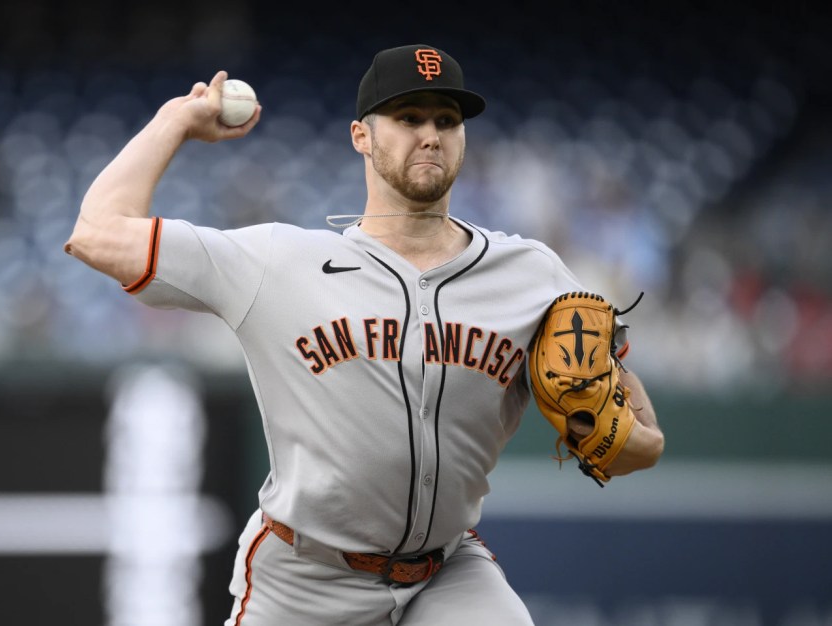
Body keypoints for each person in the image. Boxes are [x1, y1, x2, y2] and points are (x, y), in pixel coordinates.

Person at [66, 44, 664, 625]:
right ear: (361, 136)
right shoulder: (278, 261)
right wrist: (173, 122)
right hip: (305, 579)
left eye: (447, 120)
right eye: (408, 117)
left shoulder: (530, 273)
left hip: (446, 573)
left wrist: (627, 435)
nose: (430, 134)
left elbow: (638, 430)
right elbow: (97, 234)